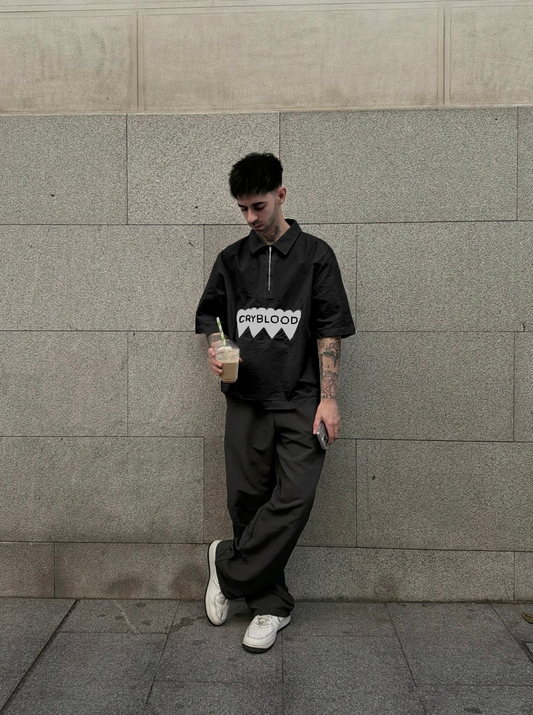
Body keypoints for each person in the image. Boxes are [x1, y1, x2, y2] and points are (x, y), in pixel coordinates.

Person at [195, 152, 355, 653]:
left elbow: (330, 330)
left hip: (301, 399)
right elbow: (211, 317)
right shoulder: (231, 259)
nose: (250, 217)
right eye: (242, 209)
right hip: (245, 398)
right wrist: (217, 349)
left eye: (258, 206)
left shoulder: (316, 256)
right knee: (246, 499)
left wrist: (329, 399)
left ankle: (227, 564)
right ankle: (270, 605)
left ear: (281, 195)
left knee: (295, 497)